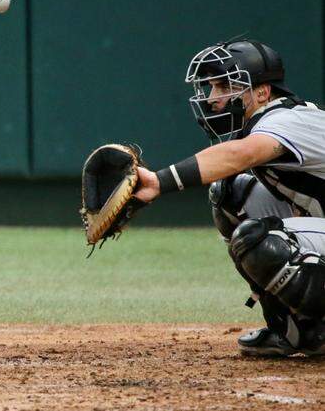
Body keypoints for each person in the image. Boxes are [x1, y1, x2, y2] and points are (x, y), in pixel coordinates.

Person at [132, 40, 325, 357]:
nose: (212, 98)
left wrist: (159, 181)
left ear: (262, 93)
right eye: (211, 86)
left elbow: (240, 154)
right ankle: (295, 329)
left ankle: (318, 330)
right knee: (231, 193)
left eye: (225, 86)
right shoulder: (272, 119)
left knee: (259, 241)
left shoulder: (286, 120)